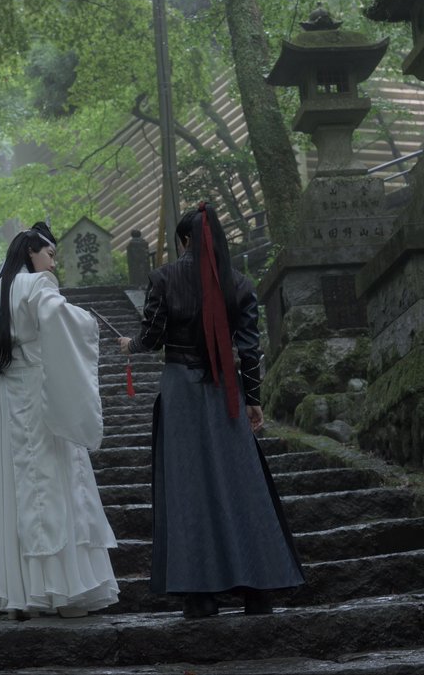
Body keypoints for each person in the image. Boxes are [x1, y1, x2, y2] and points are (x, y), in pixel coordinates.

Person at [119, 203, 304, 619]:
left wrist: (131, 345)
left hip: (181, 393)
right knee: (241, 483)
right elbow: (250, 350)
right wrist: (253, 400)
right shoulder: (238, 284)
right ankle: (258, 589)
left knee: (188, 487)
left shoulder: (164, 278)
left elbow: (152, 337)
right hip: (226, 393)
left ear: (185, 240)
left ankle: (200, 595)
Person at [0, 222, 120, 618]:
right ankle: (62, 590)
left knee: (14, 492)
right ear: (31, 253)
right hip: (37, 396)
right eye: (50, 255)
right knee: (54, 486)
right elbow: (57, 318)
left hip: (5, 402)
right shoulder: (36, 286)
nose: (53, 264)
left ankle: (18, 592)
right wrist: (88, 321)